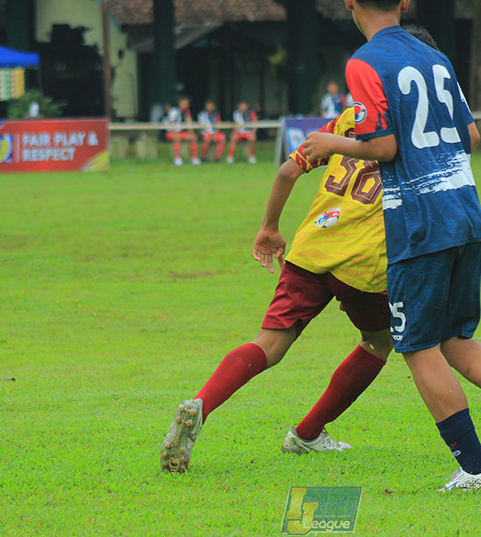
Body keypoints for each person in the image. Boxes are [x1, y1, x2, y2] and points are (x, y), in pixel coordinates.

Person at [300, 0, 481, 492]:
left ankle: (475, 469)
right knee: (456, 337)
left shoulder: (365, 61)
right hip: (466, 211)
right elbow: (470, 135)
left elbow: (388, 147)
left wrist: (333, 141)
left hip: (419, 221)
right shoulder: (435, 58)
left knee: (417, 345)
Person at [160, 107, 392, 473]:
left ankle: (202, 403)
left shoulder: (349, 117)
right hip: (363, 259)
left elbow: (288, 170)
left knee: (268, 343)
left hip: (311, 244)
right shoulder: (416, 126)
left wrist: (269, 228)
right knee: (379, 341)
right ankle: (308, 433)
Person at [165, 96, 198, 166]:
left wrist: (191, 132)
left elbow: (189, 123)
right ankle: (177, 158)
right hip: (170, 132)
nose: (185, 106)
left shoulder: (187, 112)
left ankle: (194, 158)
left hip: (180, 132)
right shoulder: (174, 111)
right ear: (179, 104)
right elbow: (172, 123)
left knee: (194, 137)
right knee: (177, 138)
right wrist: (174, 133)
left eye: (187, 104)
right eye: (184, 104)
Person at [227, 100, 258, 164]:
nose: (242, 108)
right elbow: (236, 125)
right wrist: (235, 133)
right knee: (233, 138)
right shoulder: (236, 114)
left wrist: (253, 134)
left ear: (247, 106)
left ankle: (251, 156)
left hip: (248, 132)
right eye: (241, 106)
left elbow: (255, 124)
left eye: (244, 106)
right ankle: (230, 157)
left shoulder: (252, 113)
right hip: (239, 132)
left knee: (252, 138)